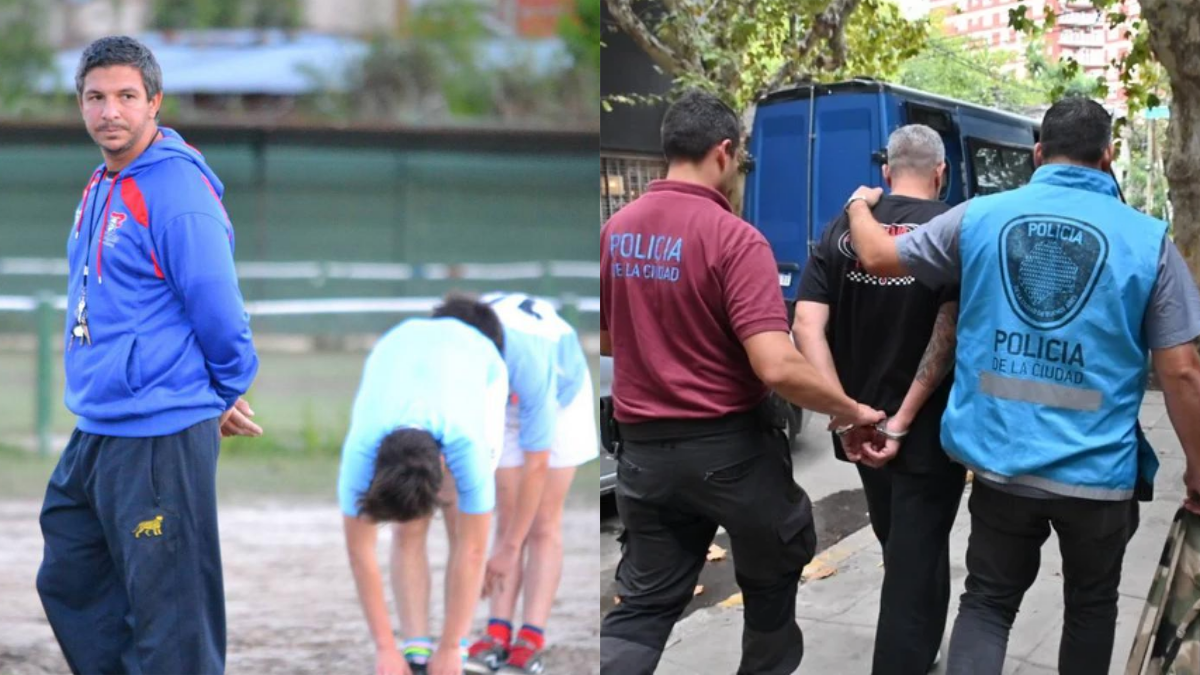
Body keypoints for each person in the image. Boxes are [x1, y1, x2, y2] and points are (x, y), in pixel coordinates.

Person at [843, 96, 1200, 675]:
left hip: (1002, 468)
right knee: (1090, 607)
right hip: (1099, 476)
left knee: (986, 604)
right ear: (1108, 157)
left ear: (1039, 153)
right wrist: (1198, 468)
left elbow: (879, 254)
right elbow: (1182, 369)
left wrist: (860, 206)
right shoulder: (1147, 239)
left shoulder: (980, 217)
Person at [598, 89, 884, 675]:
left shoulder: (616, 231)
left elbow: (606, 338)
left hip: (643, 458)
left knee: (643, 609)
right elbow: (776, 365)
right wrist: (850, 408)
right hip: (730, 452)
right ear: (724, 152)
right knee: (771, 585)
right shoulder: (734, 238)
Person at [35, 35, 261, 675]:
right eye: (96, 97)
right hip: (100, 424)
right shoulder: (102, 181)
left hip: (159, 427)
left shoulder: (175, 191)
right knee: (71, 572)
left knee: (172, 616)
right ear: (81, 104)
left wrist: (219, 394)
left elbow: (218, 305)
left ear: (154, 102)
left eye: (126, 97)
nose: (111, 111)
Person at [794, 124, 964, 674]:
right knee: (915, 555)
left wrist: (844, 411)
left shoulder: (842, 228)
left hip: (860, 426)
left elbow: (805, 324)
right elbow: (951, 328)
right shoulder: (951, 228)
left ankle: (923, 644)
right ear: (941, 173)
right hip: (926, 429)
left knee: (905, 542)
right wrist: (903, 419)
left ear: (887, 172)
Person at [339, 296, 509, 675]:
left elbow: (475, 547)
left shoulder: (466, 443)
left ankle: (453, 645)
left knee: (460, 520)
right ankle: (415, 649)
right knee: (408, 525)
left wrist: (451, 648)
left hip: (477, 375)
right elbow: (359, 552)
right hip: (395, 354)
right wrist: (385, 648)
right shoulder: (360, 447)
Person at [465, 292, 598, 673]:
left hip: (559, 396)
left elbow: (537, 465)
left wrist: (508, 549)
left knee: (541, 523)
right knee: (508, 519)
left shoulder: (531, 365)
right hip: (504, 396)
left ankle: (530, 639)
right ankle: (496, 633)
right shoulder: (455, 350)